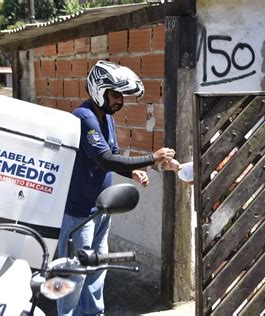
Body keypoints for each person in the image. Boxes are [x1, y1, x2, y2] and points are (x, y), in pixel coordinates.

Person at [56, 60, 176, 316]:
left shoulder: (106, 118)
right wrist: (151, 158)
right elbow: (105, 160)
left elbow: (112, 156)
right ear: (99, 90)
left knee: (98, 269)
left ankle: (93, 313)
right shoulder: (84, 117)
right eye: (115, 94)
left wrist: (131, 172)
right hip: (79, 214)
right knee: (74, 273)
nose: (119, 100)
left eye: (121, 95)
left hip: (101, 211)